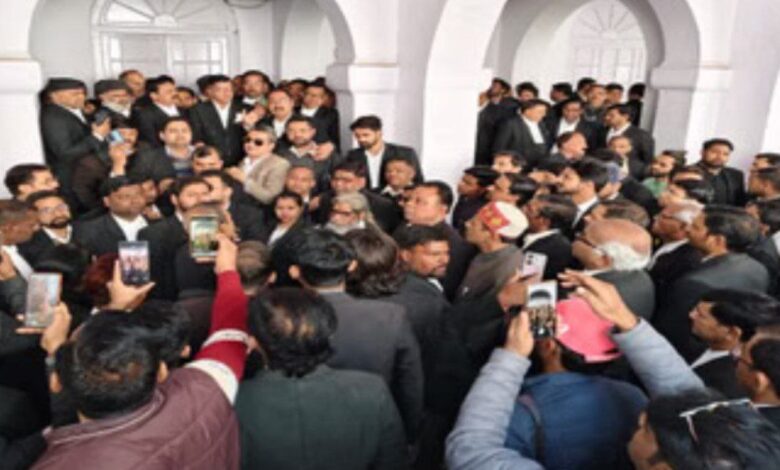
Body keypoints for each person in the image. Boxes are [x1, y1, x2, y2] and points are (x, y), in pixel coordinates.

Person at [32, 235, 251, 469]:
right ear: (161, 371)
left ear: (56, 382)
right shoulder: (203, 389)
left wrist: (57, 348)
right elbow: (230, 334)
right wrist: (227, 271)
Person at [235, 288, 408, 470]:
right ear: (328, 335)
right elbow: (393, 461)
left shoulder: (234, 401)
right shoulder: (372, 392)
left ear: (254, 341)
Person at [287, 228, 423, 442]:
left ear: (295, 272)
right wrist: (409, 436)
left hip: (302, 430)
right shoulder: (391, 316)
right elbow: (409, 385)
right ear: (351, 265)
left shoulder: (283, 318)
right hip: (372, 426)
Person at [655, 205, 770, 361]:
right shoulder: (758, 268)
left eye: (696, 227)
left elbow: (672, 332)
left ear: (717, 240)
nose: (687, 229)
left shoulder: (693, 284)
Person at [688, 290, 778, 398]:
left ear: (732, 333)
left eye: (700, 315)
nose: (691, 315)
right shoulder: (696, 340)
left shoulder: (726, 382)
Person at [401, 181, 477, 300]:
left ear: (442, 209)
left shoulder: (453, 244)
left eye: (419, 202)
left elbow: (448, 288)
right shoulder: (404, 228)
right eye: (409, 199)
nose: (409, 204)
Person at [139, 177, 211, 300]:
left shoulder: (215, 226)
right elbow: (154, 279)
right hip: (172, 302)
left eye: (205, 194)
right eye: (192, 195)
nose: (200, 200)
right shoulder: (154, 233)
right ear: (174, 199)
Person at [39, 78, 109, 198]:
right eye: (74, 94)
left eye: (83, 93)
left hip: (84, 174)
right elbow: (65, 153)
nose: (81, 97)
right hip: (71, 178)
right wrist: (97, 136)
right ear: (54, 96)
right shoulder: (54, 117)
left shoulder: (68, 111)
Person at [572, 218, 655, 319]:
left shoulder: (591, 296)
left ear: (604, 259)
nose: (577, 237)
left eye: (583, 238)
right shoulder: (639, 276)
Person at [456, 202, 527, 301]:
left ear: (493, 235)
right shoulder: (478, 250)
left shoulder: (504, 271)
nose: (467, 224)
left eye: (473, 223)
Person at [189, 74, 259, 166]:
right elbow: (195, 135)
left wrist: (249, 126)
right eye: (220, 89)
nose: (226, 93)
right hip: (211, 162)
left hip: (242, 160)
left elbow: (255, 134)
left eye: (229, 89)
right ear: (210, 91)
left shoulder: (246, 108)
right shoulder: (198, 110)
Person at [345, 115, 422, 190]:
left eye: (366, 135)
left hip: (395, 195)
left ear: (379, 133)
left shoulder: (404, 153)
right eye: (357, 136)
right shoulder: (353, 155)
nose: (361, 139)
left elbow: (417, 181)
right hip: (365, 196)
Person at [225, 126, 290, 206]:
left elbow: (271, 198)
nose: (250, 144)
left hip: (260, 210)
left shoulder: (279, 164)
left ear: (271, 146)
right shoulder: (243, 161)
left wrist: (245, 180)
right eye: (247, 140)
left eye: (258, 142)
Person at [647, 200, 703, 293]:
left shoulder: (687, 260)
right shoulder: (656, 239)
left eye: (663, 216)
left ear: (684, 226)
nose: (655, 217)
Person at [275, 115, 337, 192]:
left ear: (313, 132)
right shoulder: (279, 154)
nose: (297, 135)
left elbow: (337, 180)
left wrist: (324, 197)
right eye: (291, 131)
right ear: (286, 132)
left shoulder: (328, 154)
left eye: (303, 131)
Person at [520, 195, 576, 280]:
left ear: (544, 221)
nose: (522, 209)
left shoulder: (555, 247)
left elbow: (526, 279)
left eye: (529, 209)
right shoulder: (522, 233)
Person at [199, 170, 265, 241]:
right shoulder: (195, 212)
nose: (204, 192)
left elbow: (256, 244)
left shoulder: (250, 214)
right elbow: (201, 246)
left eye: (210, 188)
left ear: (227, 191)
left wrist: (232, 236)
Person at [18, 191, 74, 267]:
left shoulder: (88, 229)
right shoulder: (29, 247)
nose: (57, 213)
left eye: (61, 207)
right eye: (46, 210)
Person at [493, 99, 551, 168]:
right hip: (517, 166)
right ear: (527, 111)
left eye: (544, 112)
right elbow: (499, 147)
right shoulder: (510, 124)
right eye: (540, 112)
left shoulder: (542, 124)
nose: (544, 115)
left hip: (538, 166)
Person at [601, 104, 655, 177]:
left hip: (630, 176)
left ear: (625, 116)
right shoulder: (601, 131)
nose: (607, 117)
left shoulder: (641, 136)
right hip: (602, 173)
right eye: (606, 115)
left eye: (611, 115)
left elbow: (648, 160)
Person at [556, 159, 608, 229]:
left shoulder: (601, 216)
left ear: (588, 184)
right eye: (560, 175)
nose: (558, 180)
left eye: (567, 177)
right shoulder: (558, 206)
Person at [130, 75, 182, 146]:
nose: (175, 94)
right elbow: (151, 140)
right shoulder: (145, 114)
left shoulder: (184, 110)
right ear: (154, 96)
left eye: (175, 90)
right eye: (169, 92)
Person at [695, 138, 747, 206]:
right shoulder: (686, 173)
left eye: (725, 154)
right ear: (702, 152)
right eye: (714, 152)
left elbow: (740, 203)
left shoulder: (736, 175)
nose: (720, 157)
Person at [0, 200, 41, 282]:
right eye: (31, 225)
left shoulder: (27, 248)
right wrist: (11, 277)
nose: (37, 228)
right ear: (7, 227)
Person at [452, 166, 498, 234]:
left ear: (483, 189)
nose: (461, 184)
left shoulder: (484, 208)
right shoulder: (465, 196)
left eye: (468, 183)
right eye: (462, 180)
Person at [298, 81, 341, 150]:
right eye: (306, 94)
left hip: (320, 151)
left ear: (323, 98)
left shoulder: (330, 113)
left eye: (314, 95)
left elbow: (334, 137)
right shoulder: (293, 110)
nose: (309, 97)